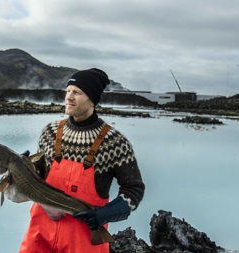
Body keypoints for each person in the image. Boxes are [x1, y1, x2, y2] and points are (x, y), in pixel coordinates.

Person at [19, 68, 145, 253]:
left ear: (92, 100)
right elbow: (39, 173)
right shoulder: (50, 132)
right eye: (68, 91)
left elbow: (134, 188)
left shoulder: (114, 142)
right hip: (40, 237)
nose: (69, 97)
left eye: (77, 92)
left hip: (84, 241)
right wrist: (22, 167)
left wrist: (106, 213)